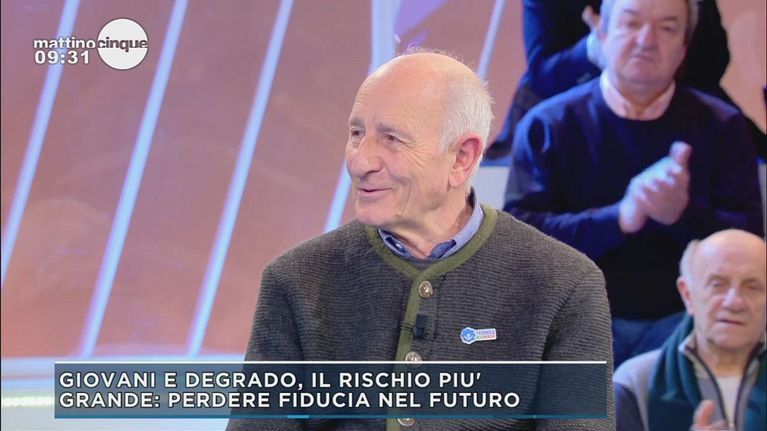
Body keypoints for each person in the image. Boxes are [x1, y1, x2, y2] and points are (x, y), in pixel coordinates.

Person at [227, 51, 614, 430]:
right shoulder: (294, 280)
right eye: (356, 134)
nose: (360, 162)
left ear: (462, 157)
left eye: (392, 139)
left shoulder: (565, 286)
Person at [503, 0, 764, 367]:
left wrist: (682, 214)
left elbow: (749, 240)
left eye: (667, 28)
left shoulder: (723, 126)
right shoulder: (548, 125)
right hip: (577, 319)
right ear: (601, 34)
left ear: (685, 47)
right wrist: (619, 219)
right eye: (631, 24)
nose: (646, 40)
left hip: (685, 321)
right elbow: (520, 243)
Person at [485, 0, 766, 160]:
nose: (644, 39)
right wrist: (595, 48)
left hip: (677, 96)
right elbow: (544, 72)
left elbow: (713, 63)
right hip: (570, 98)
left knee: (746, 152)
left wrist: (671, 39)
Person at [613, 229, 766, 431]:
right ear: (688, 295)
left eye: (752, 287)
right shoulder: (634, 382)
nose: (734, 302)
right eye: (717, 285)